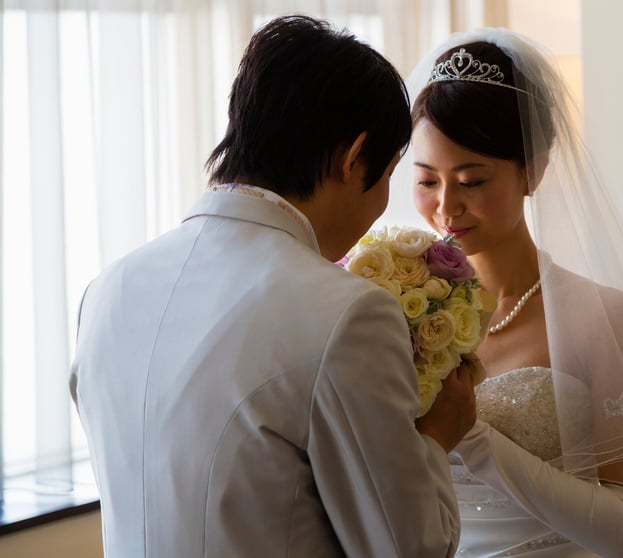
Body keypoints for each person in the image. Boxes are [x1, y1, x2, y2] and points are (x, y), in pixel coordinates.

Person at [69, 15, 477, 557]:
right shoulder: (347, 313)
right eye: (389, 176)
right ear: (352, 157)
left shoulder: (107, 290)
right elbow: (409, 547)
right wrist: (436, 438)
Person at [403, 28, 623, 557]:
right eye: (427, 181)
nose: (446, 209)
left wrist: (474, 441)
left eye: (472, 181)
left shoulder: (598, 315)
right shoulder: (398, 308)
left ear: (533, 172)